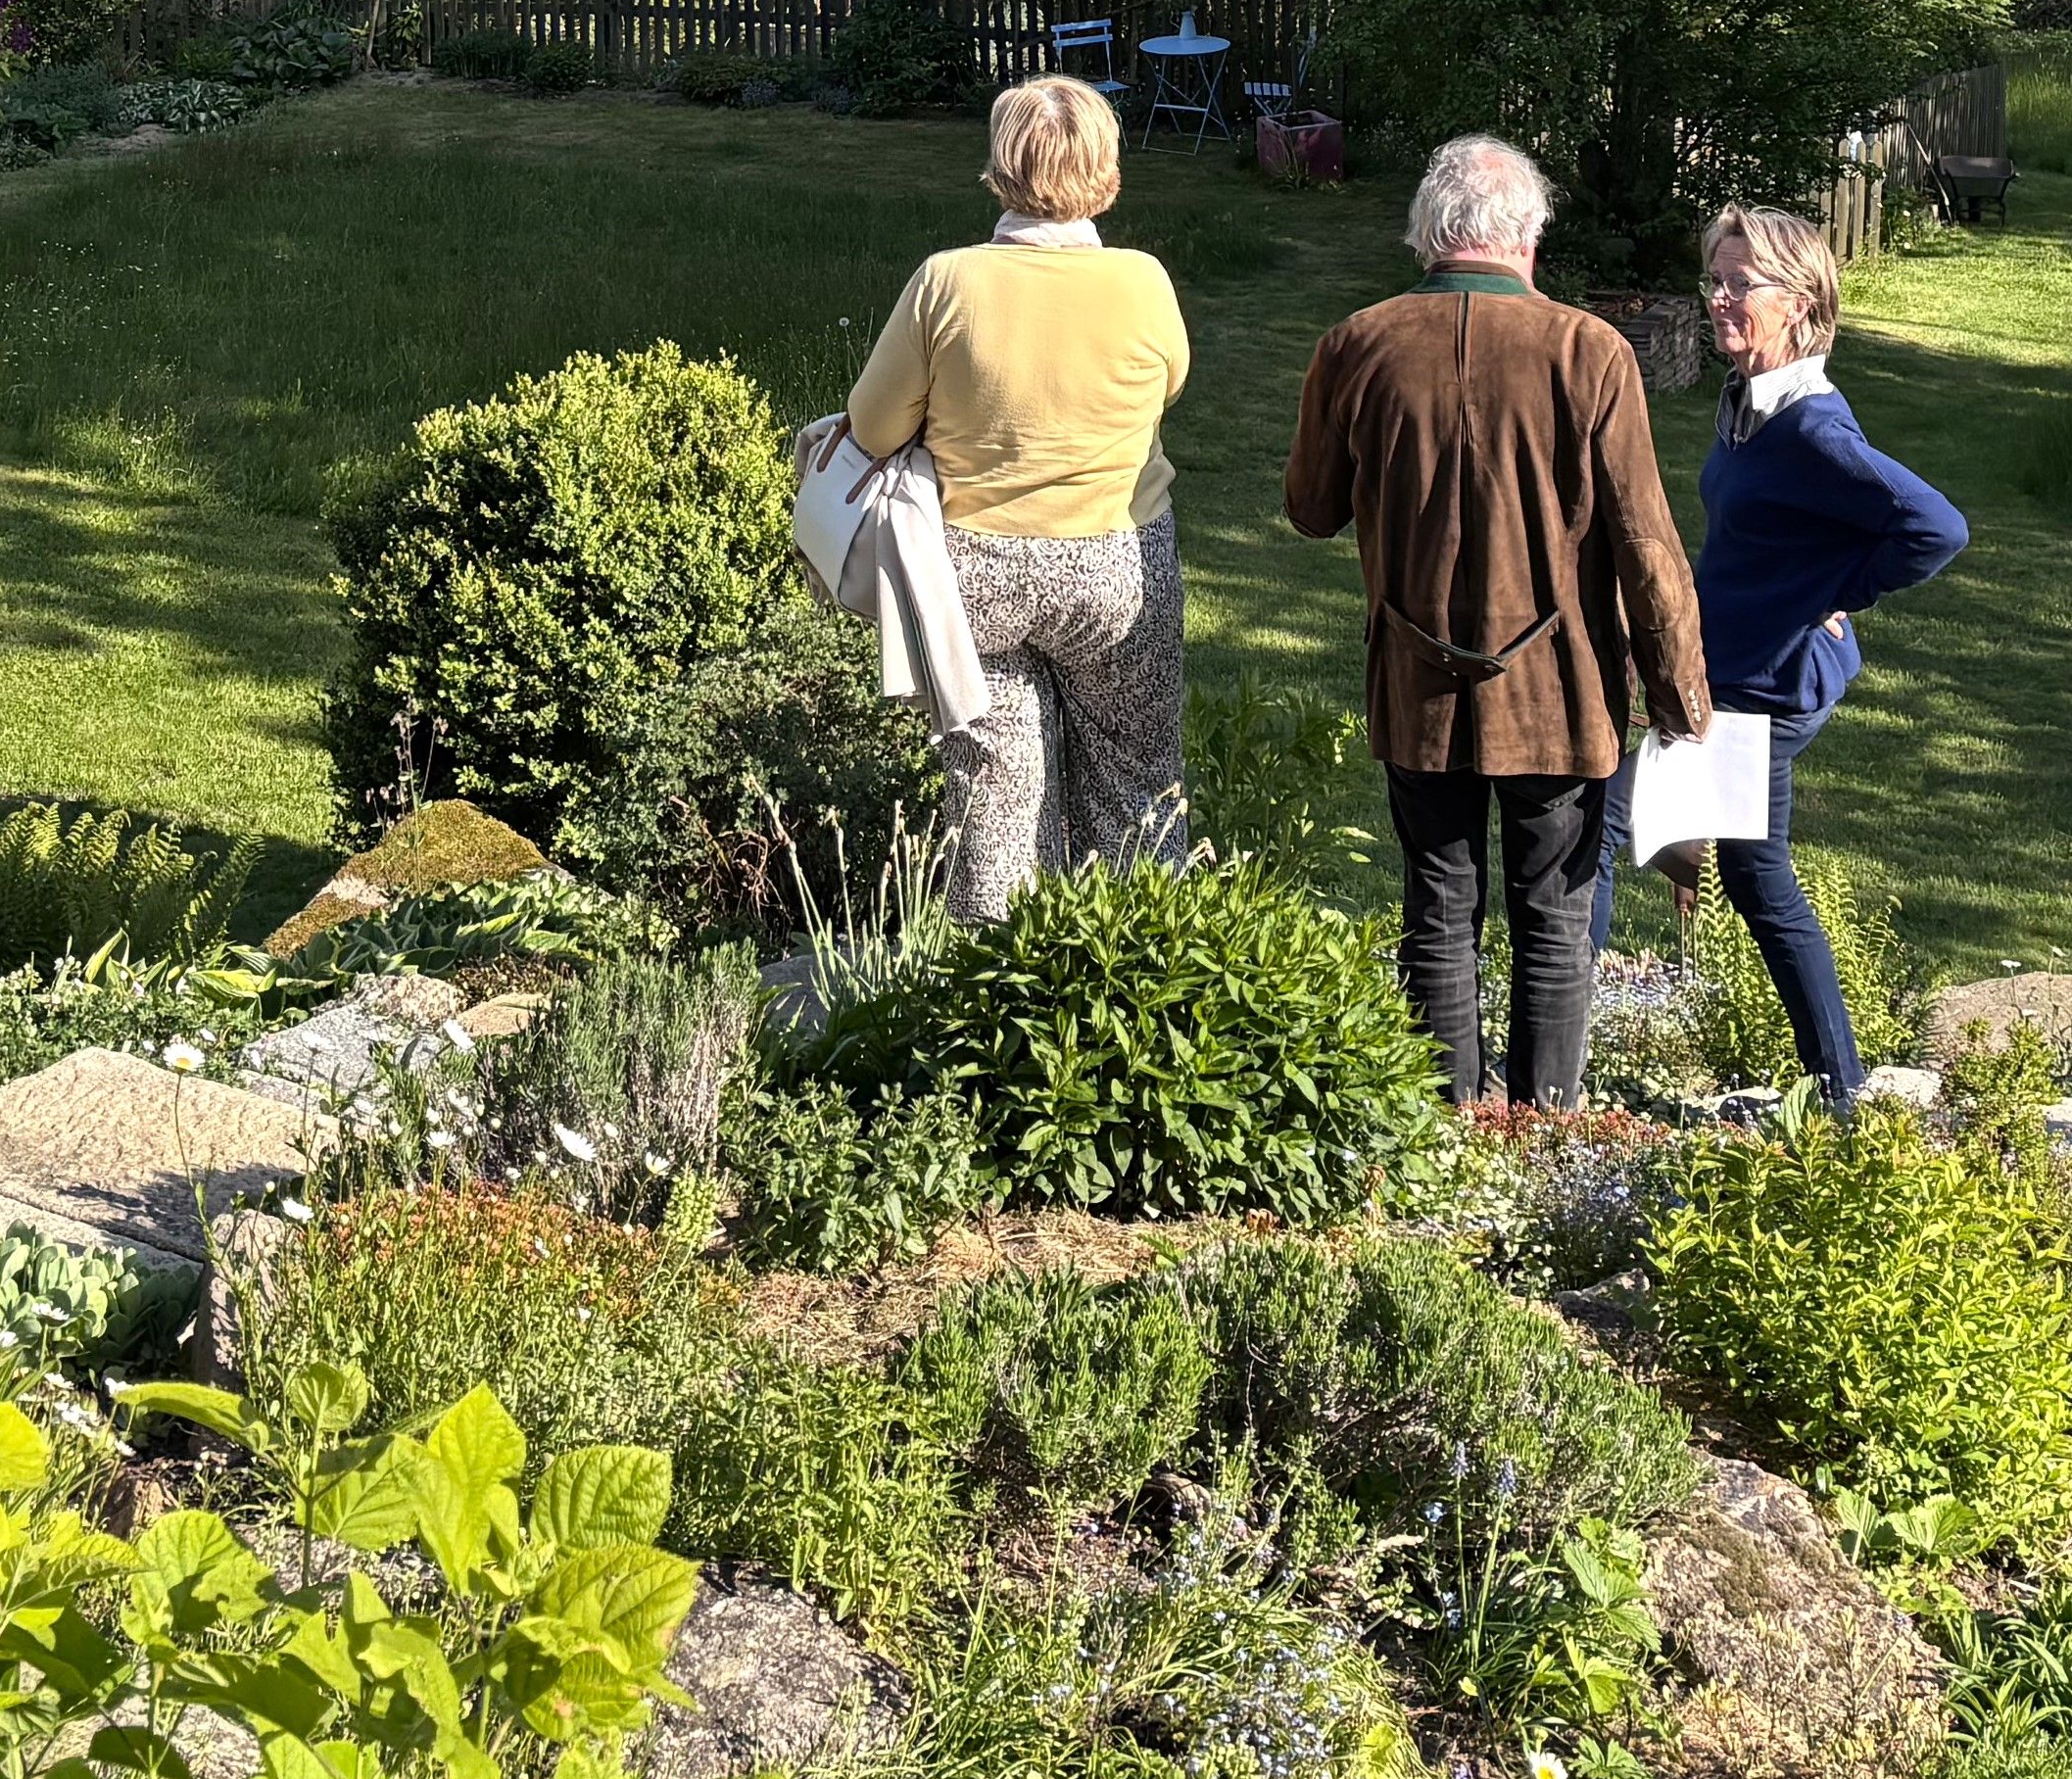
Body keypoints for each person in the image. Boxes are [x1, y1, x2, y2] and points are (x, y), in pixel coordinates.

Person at [1282, 133, 1708, 1108]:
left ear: (1428, 233)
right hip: (1561, 691)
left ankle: (1443, 1131)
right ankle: (1547, 1128)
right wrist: (1683, 695)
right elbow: (1648, 545)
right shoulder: (1589, 351)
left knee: (1438, 906)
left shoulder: (1356, 344)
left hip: (1414, 682)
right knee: (1554, 917)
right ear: (1527, 238)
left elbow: (1310, 510)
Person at [843, 71, 1194, 918]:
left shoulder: (947, 281)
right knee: (1138, 780)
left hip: (975, 572)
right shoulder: (1144, 281)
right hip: (1117, 566)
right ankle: (1144, 993)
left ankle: (1002, 1009)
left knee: (995, 798)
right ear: (1105, 171)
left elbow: (872, 424)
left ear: (1001, 166)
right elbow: (1169, 388)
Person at [1671, 201, 1967, 1107]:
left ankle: (1544, 1092)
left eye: (1740, 284)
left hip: (1767, 685)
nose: (1720, 298)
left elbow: (1937, 525)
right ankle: (1839, 1089)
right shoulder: (1749, 404)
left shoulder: (1811, 427)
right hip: (1736, 669)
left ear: (1800, 301)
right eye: (1713, 280)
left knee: (1609, 824)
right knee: (1757, 878)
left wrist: (1840, 592)